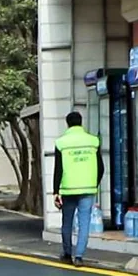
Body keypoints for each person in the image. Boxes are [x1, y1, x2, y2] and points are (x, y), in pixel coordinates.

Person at [53, 111, 104, 266]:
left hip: (68, 189)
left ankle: (67, 254)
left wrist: (56, 191)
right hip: (88, 188)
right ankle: (79, 256)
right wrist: (94, 183)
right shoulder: (93, 141)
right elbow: (101, 168)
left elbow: (58, 169)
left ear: (67, 123)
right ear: (81, 122)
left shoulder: (61, 143)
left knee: (67, 222)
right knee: (84, 223)